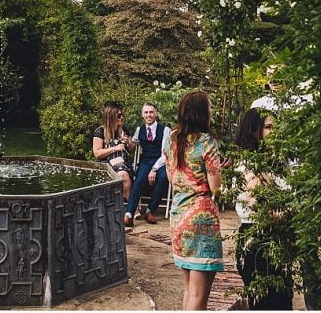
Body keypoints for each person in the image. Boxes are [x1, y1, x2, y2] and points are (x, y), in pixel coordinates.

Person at [164, 90, 224, 310]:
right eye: (209, 107)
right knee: (199, 296)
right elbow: (216, 188)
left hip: (179, 216)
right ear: (202, 112)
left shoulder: (173, 138)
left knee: (189, 290)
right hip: (201, 220)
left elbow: (172, 178)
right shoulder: (206, 142)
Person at [234, 108, 293, 310]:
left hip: (278, 240)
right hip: (258, 240)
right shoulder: (249, 163)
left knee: (283, 300)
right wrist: (293, 213)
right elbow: (262, 205)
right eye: (268, 127)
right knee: (268, 303)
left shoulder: (278, 160)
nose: (274, 131)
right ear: (254, 130)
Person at [123, 101, 171, 228]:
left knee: (162, 177)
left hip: (160, 161)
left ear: (156, 114)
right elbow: (132, 148)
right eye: (146, 112)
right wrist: (128, 142)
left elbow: (165, 153)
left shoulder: (165, 130)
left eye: (151, 112)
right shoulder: (140, 130)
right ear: (142, 115)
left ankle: (151, 210)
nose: (148, 115)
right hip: (145, 161)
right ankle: (129, 214)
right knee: (138, 180)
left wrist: (154, 169)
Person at [92, 101, 133, 201]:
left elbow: (131, 150)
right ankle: (130, 209)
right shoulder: (100, 131)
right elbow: (97, 153)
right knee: (122, 175)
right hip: (106, 165)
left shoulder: (123, 130)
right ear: (111, 117)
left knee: (123, 174)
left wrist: (128, 142)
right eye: (119, 115)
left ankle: (129, 209)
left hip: (123, 163)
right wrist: (115, 148)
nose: (121, 117)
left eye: (122, 115)